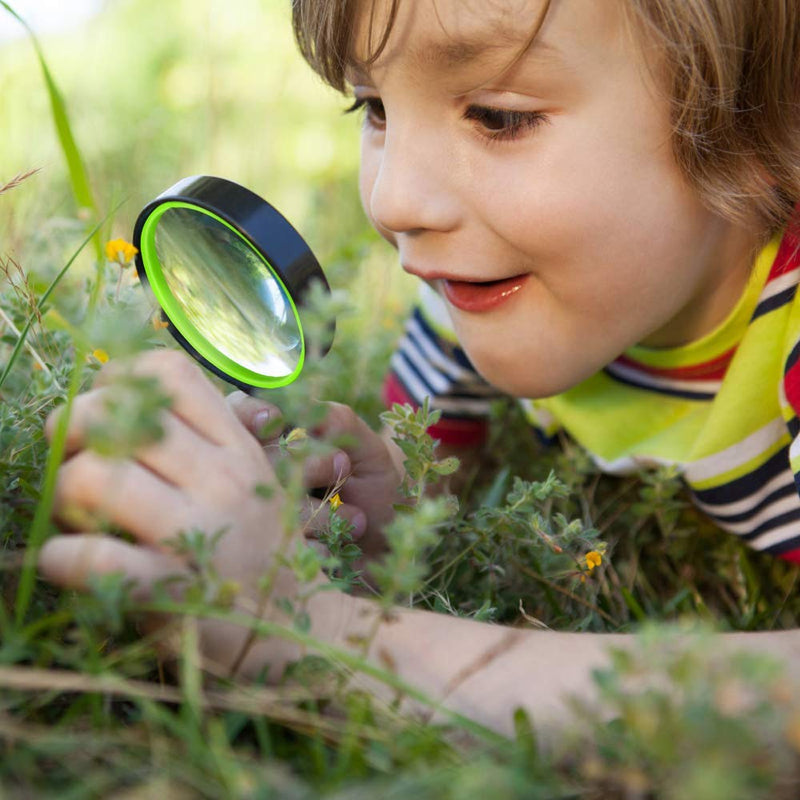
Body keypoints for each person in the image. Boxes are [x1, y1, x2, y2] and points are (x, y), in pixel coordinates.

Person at [37, 0, 800, 738]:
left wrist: (314, 639)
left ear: (772, 126)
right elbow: (436, 493)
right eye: (373, 108)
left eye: (499, 115)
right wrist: (380, 526)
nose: (394, 200)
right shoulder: (477, 290)